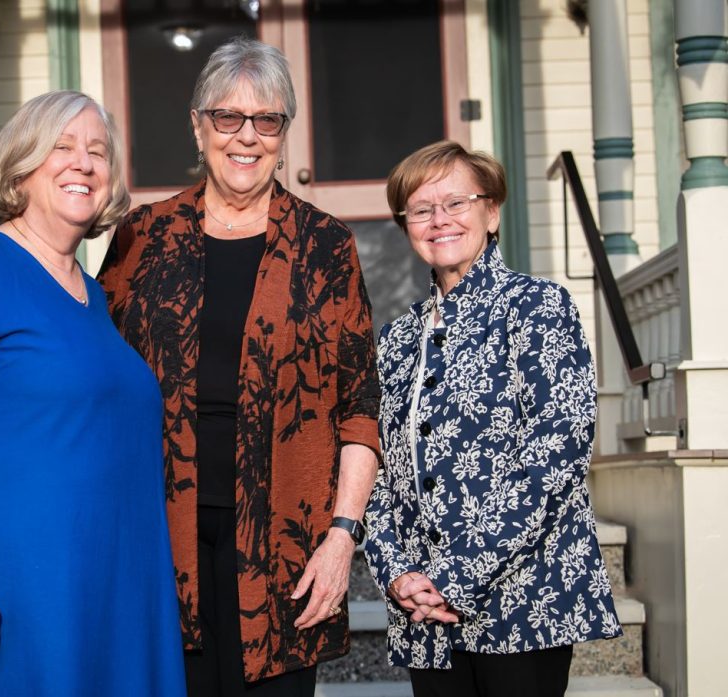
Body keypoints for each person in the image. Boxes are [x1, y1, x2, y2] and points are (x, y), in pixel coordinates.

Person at [97, 38, 381, 697]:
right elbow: (98, 374)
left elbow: (361, 405)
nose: (246, 137)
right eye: (228, 117)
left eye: (267, 120)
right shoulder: (144, 237)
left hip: (287, 545)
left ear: (285, 132)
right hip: (160, 537)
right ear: (199, 126)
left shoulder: (326, 245)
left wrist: (343, 536)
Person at [0, 90, 186, 696]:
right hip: (9, 592)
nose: (84, 163)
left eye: (98, 152)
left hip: (102, 589)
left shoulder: (94, 297)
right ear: (20, 167)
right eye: (63, 146)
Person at [364, 140, 622, 697]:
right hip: (426, 614)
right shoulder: (400, 338)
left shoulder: (538, 307)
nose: (439, 221)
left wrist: (454, 578)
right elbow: (380, 470)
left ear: (492, 211)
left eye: (455, 203)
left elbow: (557, 451)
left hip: (524, 602)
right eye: (421, 209)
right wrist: (395, 574)